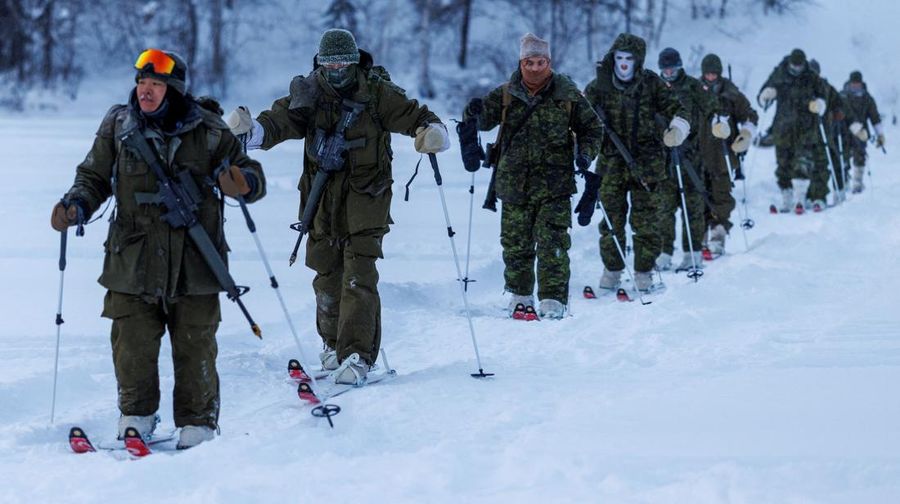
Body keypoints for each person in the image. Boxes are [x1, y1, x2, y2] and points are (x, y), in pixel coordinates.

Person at [51, 48, 266, 449]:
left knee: (195, 345)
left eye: (155, 84)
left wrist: (243, 182)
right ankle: (136, 416)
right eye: (142, 82)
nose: (145, 91)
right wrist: (76, 204)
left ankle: (198, 423)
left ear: (175, 90)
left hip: (196, 259)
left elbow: (252, 175)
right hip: (132, 258)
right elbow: (93, 176)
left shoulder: (209, 128)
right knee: (131, 343)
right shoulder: (118, 125)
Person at [227, 29, 448, 384]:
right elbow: (279, 122)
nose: (337, 69)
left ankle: (357, 355)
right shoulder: (309, 91)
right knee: (326, 276)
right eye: (329, 63)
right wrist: (252, 130)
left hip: (366, 199)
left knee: (359, 277)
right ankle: (332, 345)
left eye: (343, 63)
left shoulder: (377, 93)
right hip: (321, 201)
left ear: (355, 61)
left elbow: (416, 116)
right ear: (320, 63)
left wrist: (431, 132)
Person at [462, 33, 602, 319]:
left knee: (553, 243)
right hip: (514, 183)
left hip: (555, 184)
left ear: (549, 62)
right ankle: (520, 296)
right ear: (521, 63)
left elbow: (593, 128)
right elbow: (479, 121)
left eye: (541, 62)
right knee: (516, 244)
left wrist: (585, 155)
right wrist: (472, 111)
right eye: (529, 62)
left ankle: (553, 300)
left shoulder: (567, 94)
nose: (535, 68)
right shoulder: (505, 94)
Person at [583, 33, 690, 293]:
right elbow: (580, 117)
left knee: (646, 221)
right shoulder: (598, 86)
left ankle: (644, 272)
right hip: (610, 164)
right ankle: (612, 270)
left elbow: (679, 109)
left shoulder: (651, 83)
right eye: (619, 57)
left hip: (647, 164)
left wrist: (677, 129)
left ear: (638, 60)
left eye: (629, 58)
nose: (623, 63)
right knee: (611, 221)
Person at [655, 47, 725, 272]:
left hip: (690, 155)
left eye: (672, 69)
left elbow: (714, 108)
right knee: (664, 208)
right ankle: (664, 253)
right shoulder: (655, 88)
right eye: (665, 70)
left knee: (692, 206)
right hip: (663, 157)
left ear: (679, 67)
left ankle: (692, 253)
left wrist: (719, 123)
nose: (669, 74)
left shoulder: (693, 86)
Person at [698, 53, 758, 256]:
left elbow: (750, 115)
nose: (710, 77)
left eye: (714, 74)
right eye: (707, 74)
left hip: (722, 155)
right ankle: (699, 237)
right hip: (698, 155)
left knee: (721, 196)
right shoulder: (693, 91)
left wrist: (745, 133)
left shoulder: (731, 93)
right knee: (698, 196)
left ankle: (718, 235)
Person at [758, 48, 830, 212]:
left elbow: (823, 94)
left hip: (806, 127)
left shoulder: (811, 76)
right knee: (783, 164)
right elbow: (765, 91)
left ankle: (800, 199)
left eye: (800, 66)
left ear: (804, 64)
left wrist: (820, 104)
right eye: (794, 66)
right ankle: (786, 197)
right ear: (790, 63)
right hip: (783, 126)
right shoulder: (779, 73)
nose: (797, 69)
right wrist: (767, 95)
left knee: (802, 162)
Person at [840, 70, 884, 193]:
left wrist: (880, 134)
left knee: (860, 156)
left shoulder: (867, 98)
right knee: (843, 156)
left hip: (861, 134)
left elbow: (875, 117)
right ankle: (843, 181)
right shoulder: (842, 96)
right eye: (853, 84)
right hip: (844, 132)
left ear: (861, 83)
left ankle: (857, 182)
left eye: (857, 84)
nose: (855, 87)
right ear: (849, 83)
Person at [808, 59, 846, 200]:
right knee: (807, 163)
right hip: (805, 132)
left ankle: (838, 191)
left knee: (831, 159)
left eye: (814, 72)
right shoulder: (801, 86)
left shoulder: (826, 86)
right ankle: (809, 195)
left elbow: (839, 103)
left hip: (824, 130)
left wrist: (838, 111)